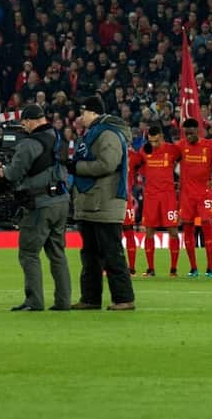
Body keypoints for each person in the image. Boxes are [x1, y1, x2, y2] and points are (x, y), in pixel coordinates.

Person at [64, 95, 135, 310]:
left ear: (93, 112)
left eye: (83, 112)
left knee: (111, 253)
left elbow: (108, 164)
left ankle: (124, 298)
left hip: (105, 202)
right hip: (92, 203)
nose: (80, 117)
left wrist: (76, 167)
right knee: (90, 255)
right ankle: (90, 298)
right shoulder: (95, 134)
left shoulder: (108, 134)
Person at [0, 103, 71, 312]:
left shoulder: (29, 144)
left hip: (40, 203)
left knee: (29, 252)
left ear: (31, 121)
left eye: (24, 123)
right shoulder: (58, 138)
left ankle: (34, 300)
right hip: (61, 199)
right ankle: (63, 301)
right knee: (57, 252)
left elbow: (13, 174)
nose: (24, 127)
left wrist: (3, 169)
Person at [135, 125, 183, 277]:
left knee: (173, 231)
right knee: (149, 231)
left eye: (156, 141)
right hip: (151, 197)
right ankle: (150, 269)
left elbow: (185, 162)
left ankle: (173, 269)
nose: (153, 144)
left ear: (162, 137)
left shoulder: (172, 150)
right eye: (151, 141)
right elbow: (136, 166)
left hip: (168, 196)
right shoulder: (144, 151)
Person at [177, 118, 212, 277]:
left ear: (198, 131)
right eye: (186, 134)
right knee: (188, 228)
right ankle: (193, 268)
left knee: (207, 227)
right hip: (187, 196)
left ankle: (210, 268)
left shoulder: (210, 146)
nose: (188, 136)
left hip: (204, 194)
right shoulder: (181, 146)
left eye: (191, 133)